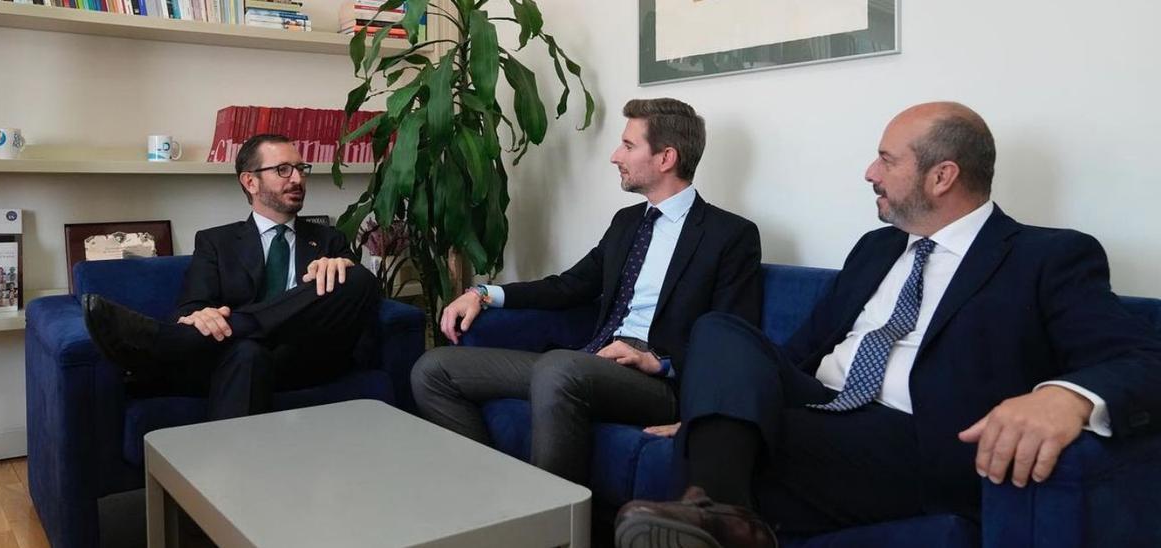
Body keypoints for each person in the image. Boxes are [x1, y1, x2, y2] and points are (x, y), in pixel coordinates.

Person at [613, 102, 1161, 548]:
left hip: (912, 435)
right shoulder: (876, 249)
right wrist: (720, 408)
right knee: (720, 329)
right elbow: (796, 353)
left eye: (886, 160)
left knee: (725, 441)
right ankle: (725, 517)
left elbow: (1143, 358)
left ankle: (716, 509)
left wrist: (1067, 398)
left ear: (942, 176)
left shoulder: (1047, 257)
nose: (870, 173)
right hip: (820, 403)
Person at [410, 98, 763, 485]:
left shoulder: (730, 235)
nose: (615, 156)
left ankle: (552, 525)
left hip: (657, 384)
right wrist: (483, 293)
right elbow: (570, 286)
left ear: (666, 158)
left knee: (559, 367)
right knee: (434, 369)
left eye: (628, 146)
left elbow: (734, 336)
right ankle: (491, 494)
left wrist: (660, 362)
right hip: (586, 364)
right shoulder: (628, 223)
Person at [82, 133, 380, 420]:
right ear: (250, 181)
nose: (298, 179)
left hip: (307, 359)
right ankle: (230, 472)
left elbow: (354, 305)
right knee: (248, 354)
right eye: (283, 170)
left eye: (301, 169)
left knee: (358, 279)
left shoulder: (329, 239)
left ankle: (171, 341)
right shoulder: (216, 242)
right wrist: (203, 316)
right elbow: (190, 308)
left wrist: (339, 266)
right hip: (239, 359)